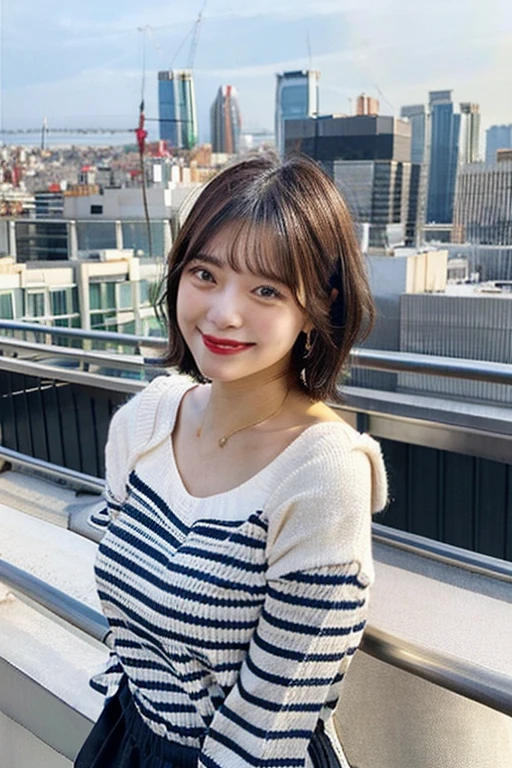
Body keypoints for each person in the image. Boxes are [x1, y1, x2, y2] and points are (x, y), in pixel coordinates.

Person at [76, 152, 387, 768]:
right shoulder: (145, 422)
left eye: (266, 289)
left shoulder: (322, 473)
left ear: (316, 307)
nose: (224, 314)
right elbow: (125, 629)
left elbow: (269, 723)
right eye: (206, 274)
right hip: (128, 738)